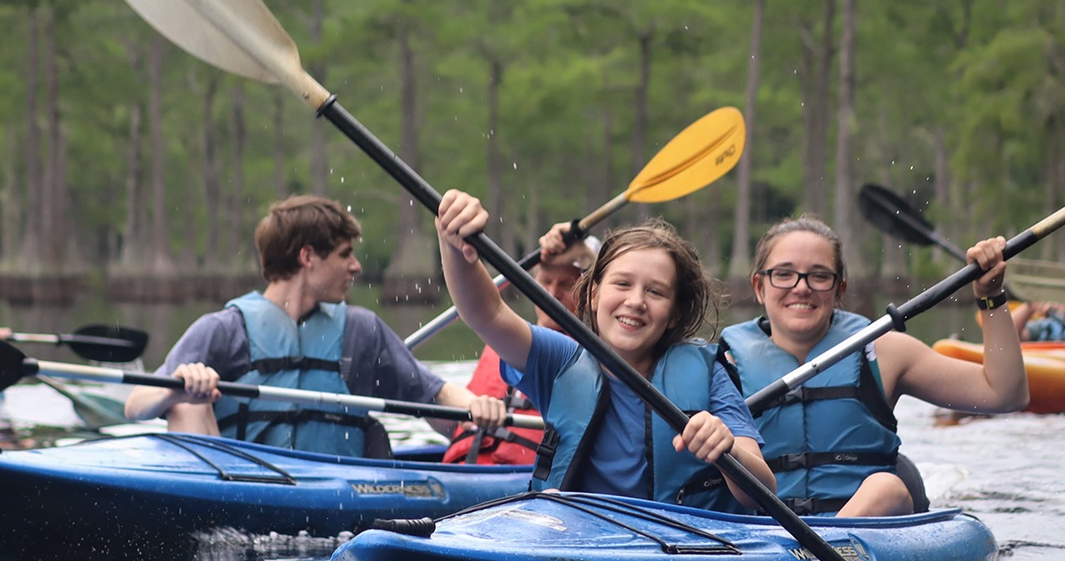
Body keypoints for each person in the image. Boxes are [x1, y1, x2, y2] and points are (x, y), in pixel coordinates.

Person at [434, 190, 777, 511]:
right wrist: (452, 242)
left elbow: (762, 491)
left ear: (674, 313)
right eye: (622, 284)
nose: (636, 301)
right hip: (581, 541)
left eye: (655, 292)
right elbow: (486, 312)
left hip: (679, 549)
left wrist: (728, 449)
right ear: (594, 294)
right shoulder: (559, 361)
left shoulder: (708, 372)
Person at [125, 195, 506, 458]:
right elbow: (136, 406)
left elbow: (435, 396)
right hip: (240, 492)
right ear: (308, 257)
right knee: (186, 407)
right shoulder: (224, 330)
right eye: (345, 255)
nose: (356, 267)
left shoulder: (361, 331)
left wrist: (478, 406)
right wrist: (179, 384)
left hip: (333, 497)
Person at [719, 216, 1027, 518]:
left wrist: (990, 298)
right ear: (759, 287)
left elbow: (1002, 393)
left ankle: (823, 556)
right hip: (763, 539)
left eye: (819, 276)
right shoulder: (724, 366)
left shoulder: (882, 352)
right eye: (784, 274)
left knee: (885, 487)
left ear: (840, 290)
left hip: (871, 529)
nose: (801, 288)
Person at [441, 234, 598, 465]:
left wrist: (586, 256)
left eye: (566, 285)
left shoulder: (589, 355)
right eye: (545, 282)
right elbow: (481, 310)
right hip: (465, 466)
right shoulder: (503, 340)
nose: (552, 294)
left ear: (588, 292)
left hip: (521, 480)